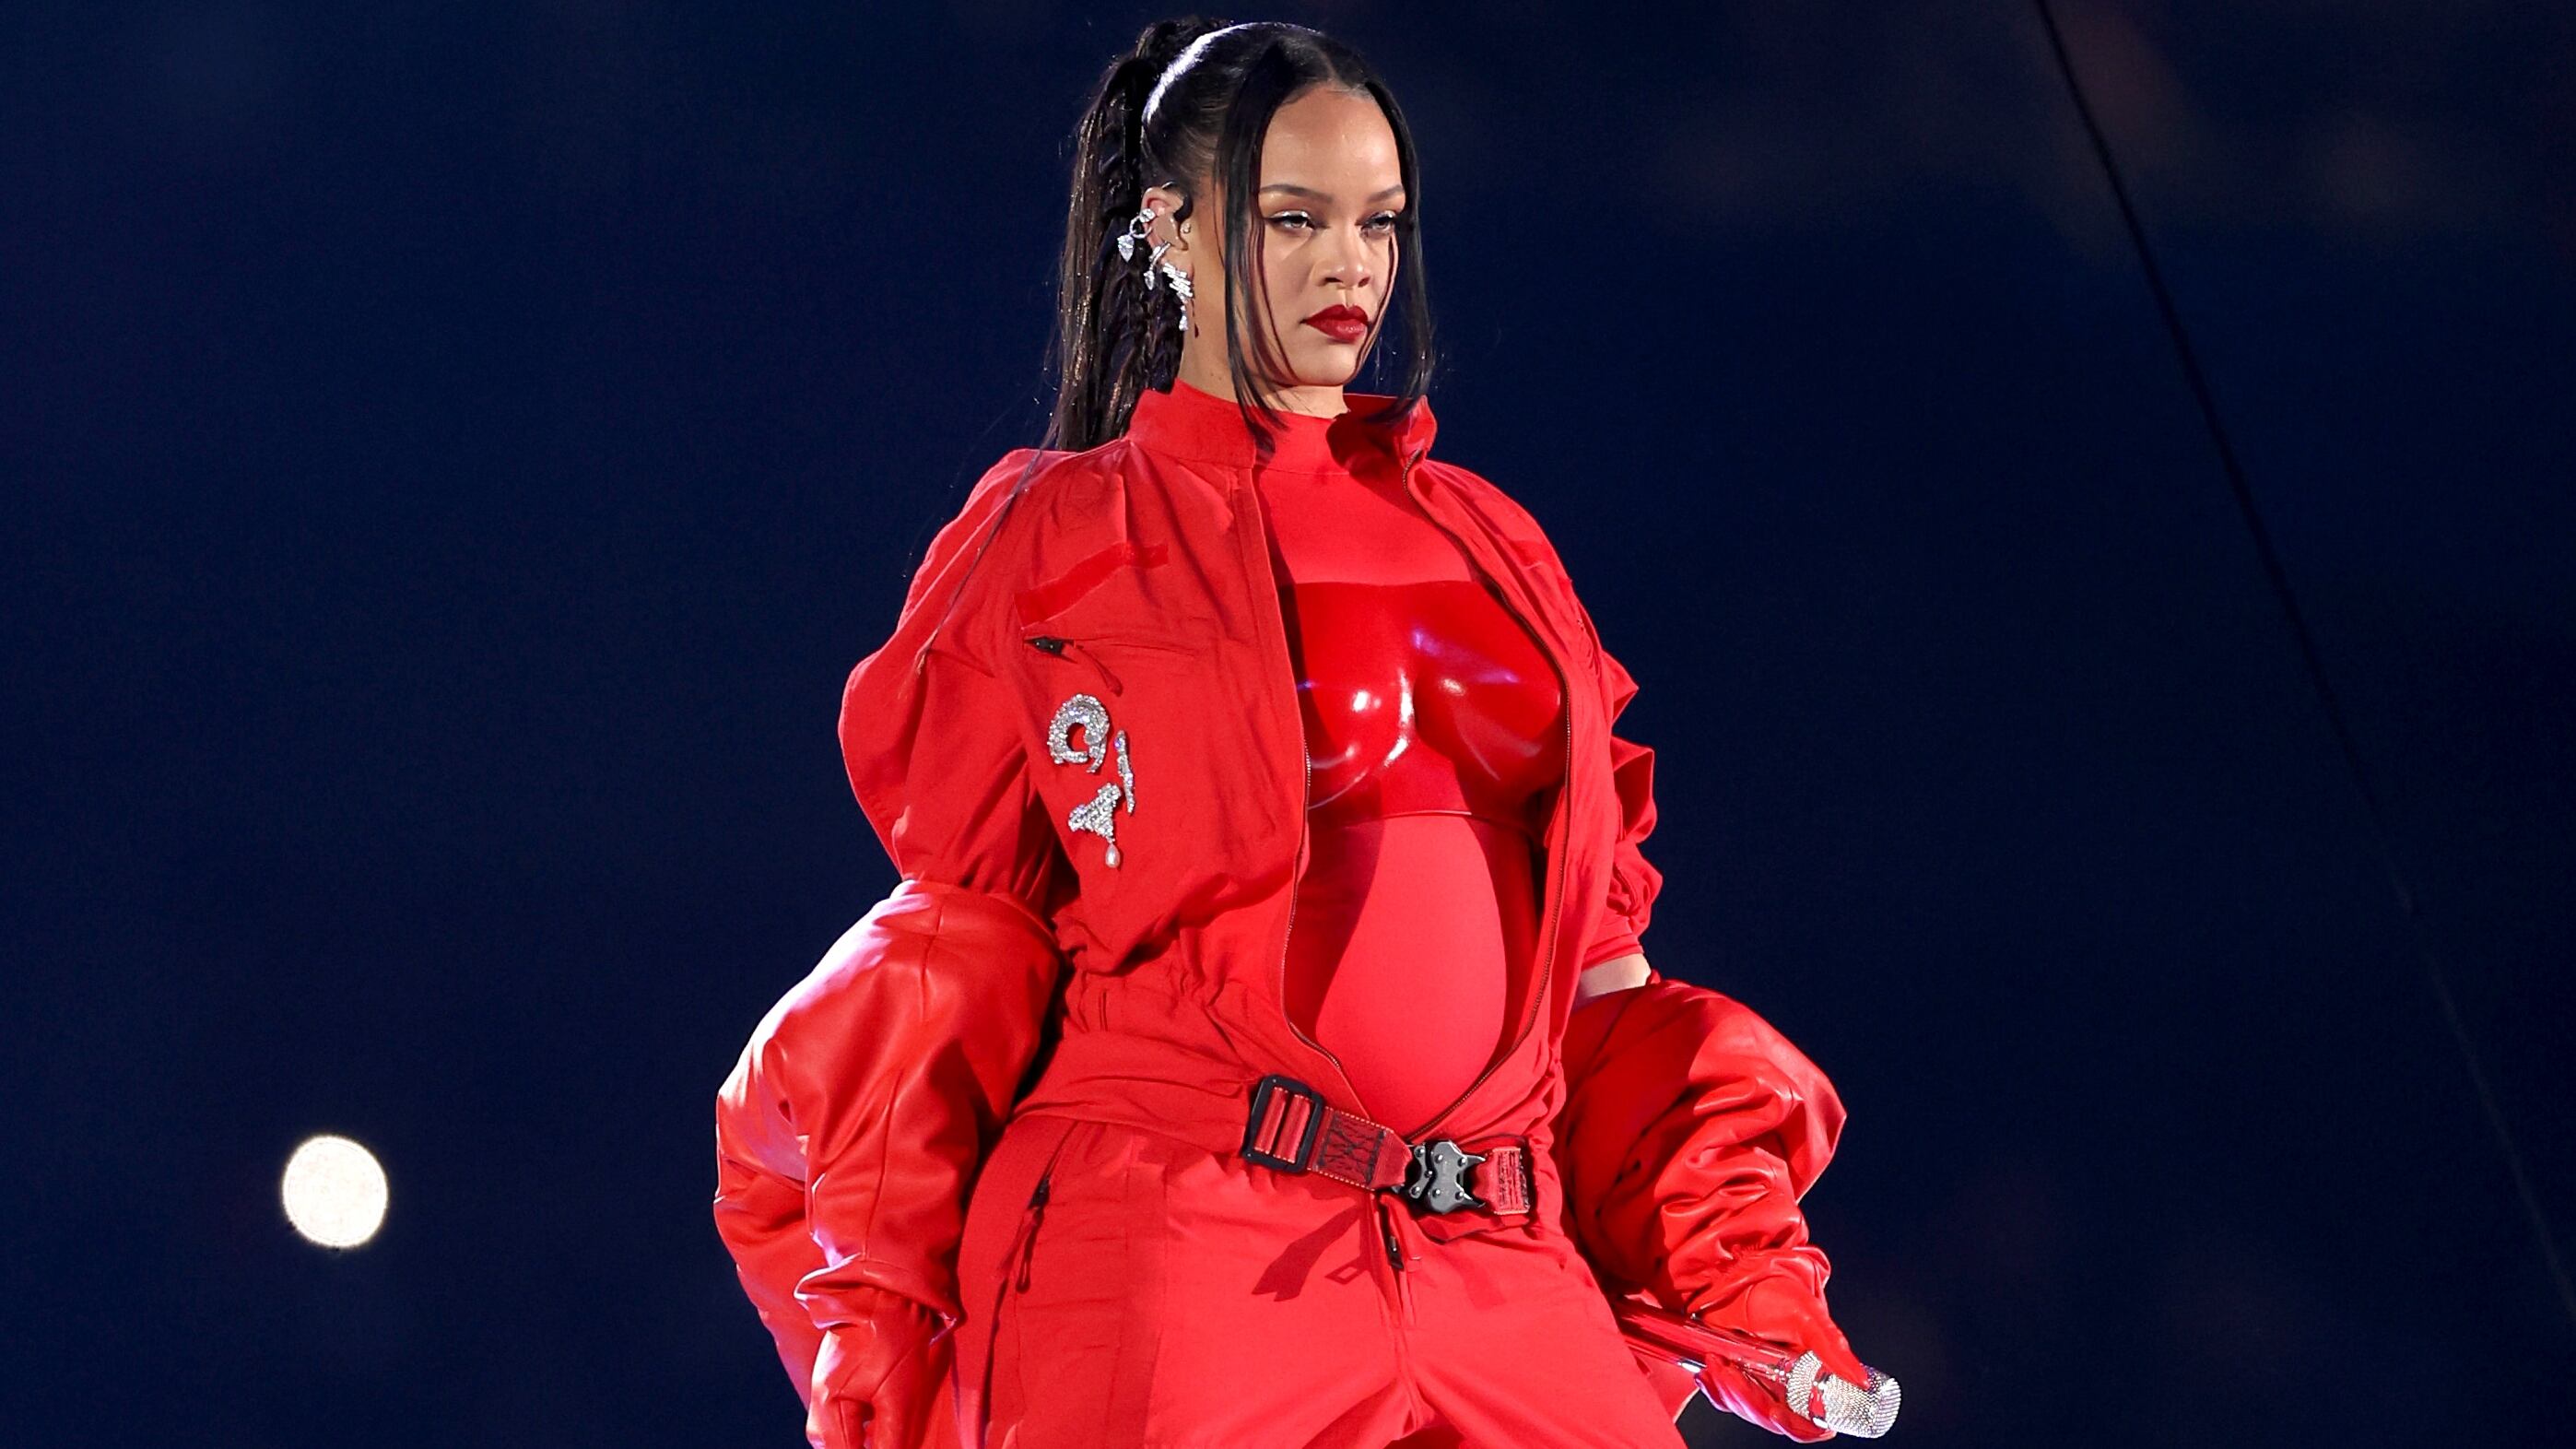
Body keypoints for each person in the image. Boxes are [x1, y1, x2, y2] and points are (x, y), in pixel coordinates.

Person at [713, 18, 1879, 1448]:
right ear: (1173, 229)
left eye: (1380, 221)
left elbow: (1602, 977)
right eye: (1295, 219)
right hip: (1181, 1230)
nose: (1352, 267)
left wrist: (1744, 1272)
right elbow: (961, 955)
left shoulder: (1496, 541)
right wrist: (880, 1339)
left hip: (1496, 1247)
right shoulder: (1059, 535)